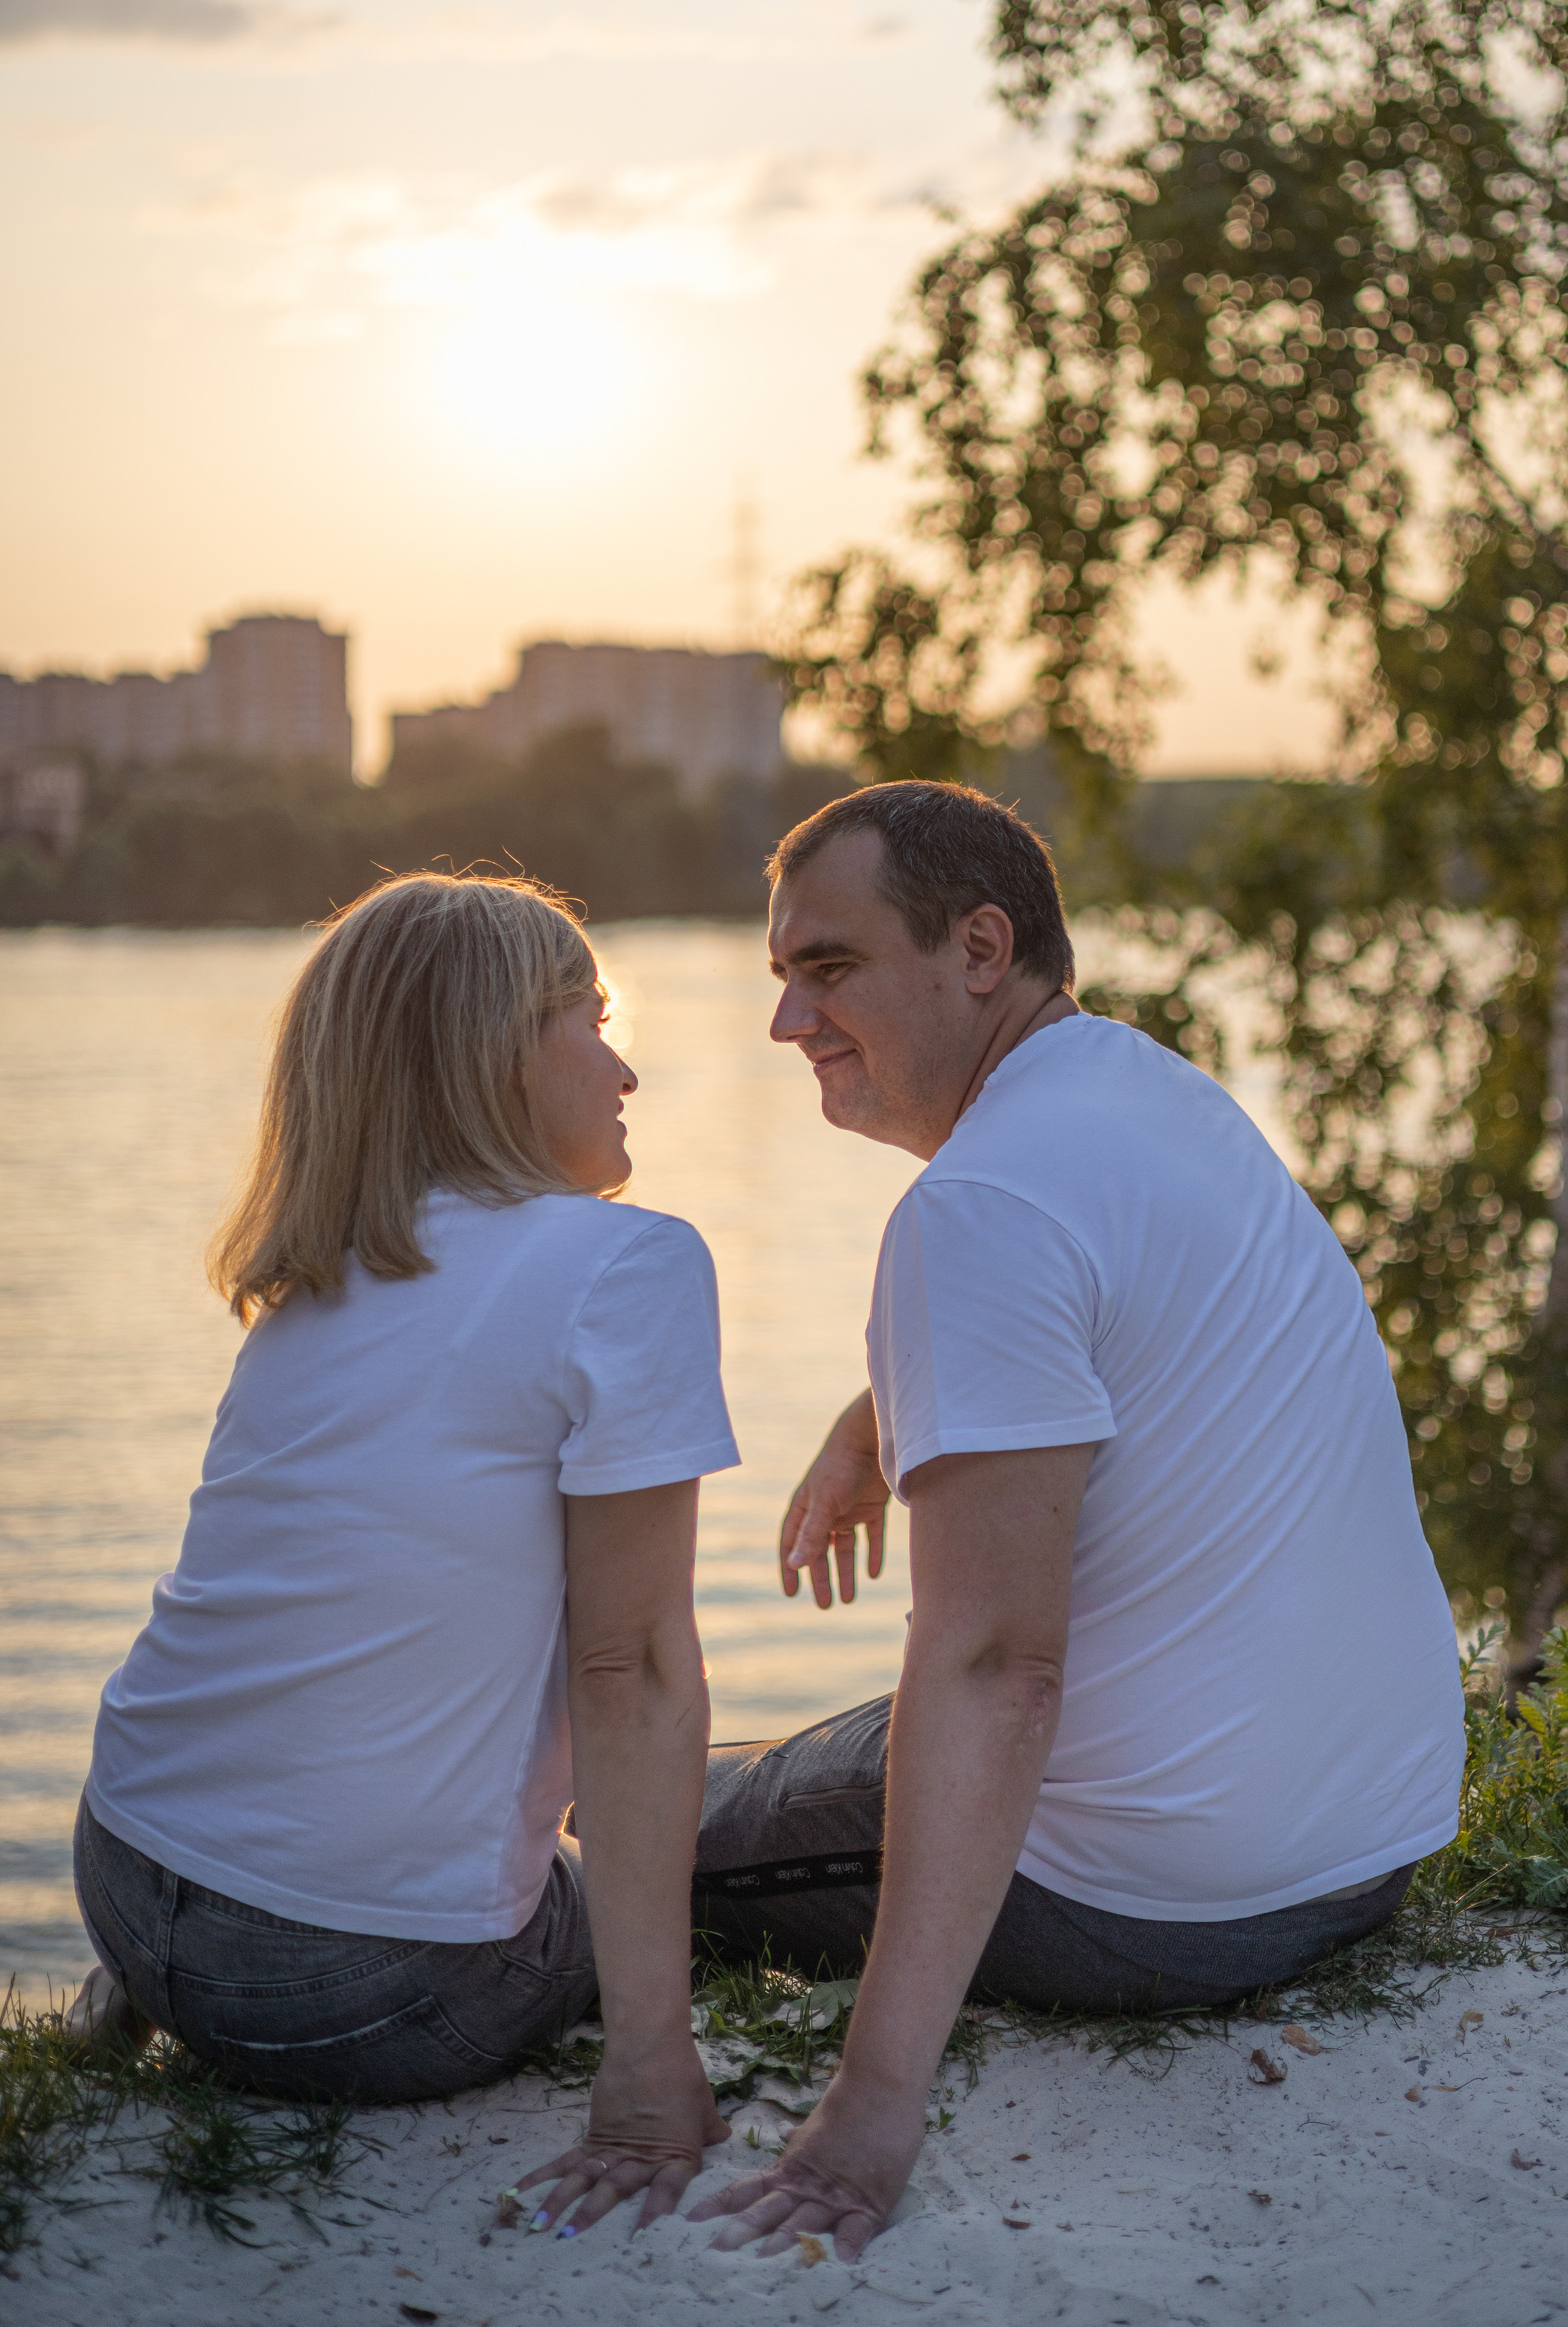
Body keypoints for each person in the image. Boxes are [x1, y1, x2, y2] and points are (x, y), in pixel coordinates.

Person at [682, 781, 1466, 2262]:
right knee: (749, 1760)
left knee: (645, 1818)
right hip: (1365, 1845)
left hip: (1170, 1903)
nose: (788, 1024)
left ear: (979, 949)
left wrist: (871, 2103)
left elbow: (996, 1674)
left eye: (827, 969)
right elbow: (1105, 1325)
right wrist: (873, 1421)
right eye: (781, 976)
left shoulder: (976, 1210)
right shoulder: (1151, 1096)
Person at [70, 871, 736, 2237]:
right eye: (588, 1019)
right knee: (695, 1830)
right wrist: (650, 2067)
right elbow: (639, 1669)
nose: (625, 1064)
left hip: (128, 1886)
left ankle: (121, 2005)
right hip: (360, 2001)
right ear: (495, 1051)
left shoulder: (315, 1283)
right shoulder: (627, 1268)